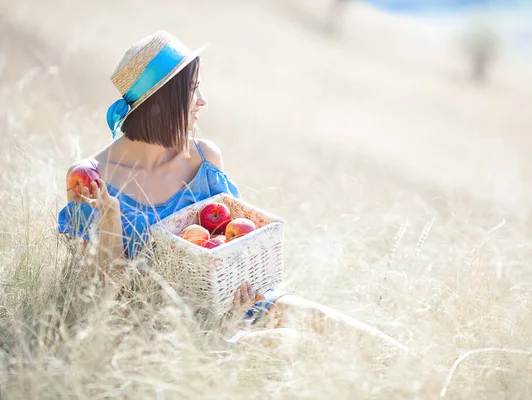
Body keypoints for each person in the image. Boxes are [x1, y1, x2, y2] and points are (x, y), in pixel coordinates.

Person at [57, 30, 408, 352]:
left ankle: (417, 369)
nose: (203, 101)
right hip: (165, 331)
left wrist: (241, 294)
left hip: (235, 308)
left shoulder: (204, 159)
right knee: (286, 343)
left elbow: (231, 243)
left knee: (322, 322)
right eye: (194, 90)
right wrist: (110, 217)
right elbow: (100, 298)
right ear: (164, 100)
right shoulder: (91, 180)